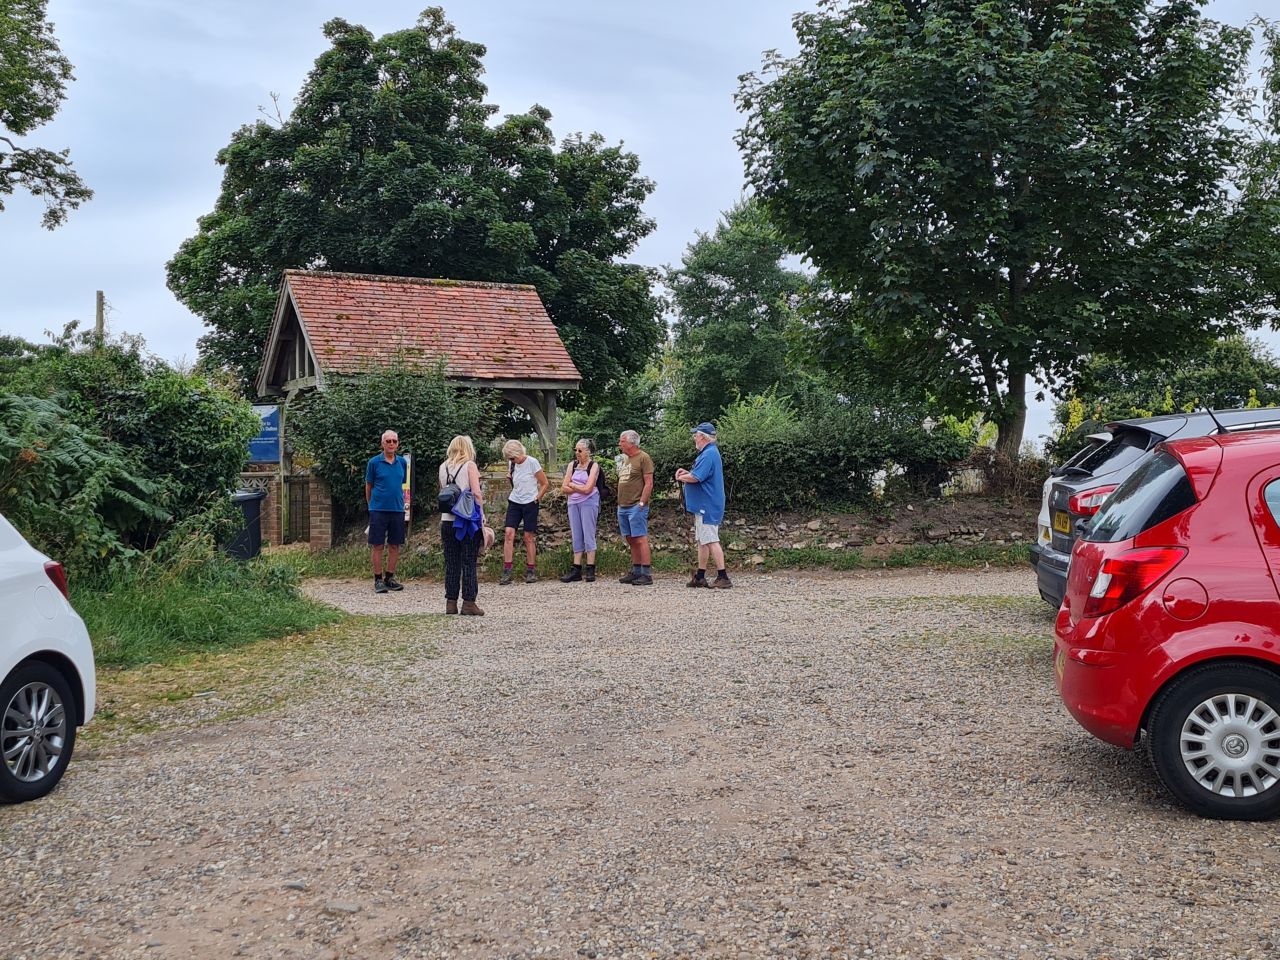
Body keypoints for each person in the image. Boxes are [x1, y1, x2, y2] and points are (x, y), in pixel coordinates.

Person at [676, 422, 731, 589]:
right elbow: (698, 474)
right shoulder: (709, 453)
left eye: (696, 435)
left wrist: (682, 477)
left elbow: (697, 477)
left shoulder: (708, 454)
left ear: (702, 437)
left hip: (706, 505)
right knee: (703, 540)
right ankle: (700, 575)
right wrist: (688, 474)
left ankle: (723, 576)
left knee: (711, 539)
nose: (694, 438)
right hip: (704, 504)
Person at [438, 435, 486, 615]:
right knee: (468, 561)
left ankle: (451, 602)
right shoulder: (469, 466)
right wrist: (481, 515)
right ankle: (469, 602)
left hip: (447, 520)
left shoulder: (443, 467)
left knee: (451, 562)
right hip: (466, 521)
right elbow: (476, 493)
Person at [500, 439, 549, 584]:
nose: (511, 460)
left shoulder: (532, 462)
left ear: (519, 453)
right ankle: (507, 570)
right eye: (510, 459)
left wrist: (537, 498)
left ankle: (531, 570)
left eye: (513, 457)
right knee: (509, 533)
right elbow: (516, 484)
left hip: (530, 502)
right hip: (515, 501)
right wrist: (510, 478)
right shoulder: (512, 463)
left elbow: (545, 483)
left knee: (528, 536)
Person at [365, 429, 407, 594]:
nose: (391, 444)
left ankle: (390, 577)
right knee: (377, 544)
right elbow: (369, 485)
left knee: (395, 544)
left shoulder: (402, 462)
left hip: (397, 509)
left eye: (394, 441)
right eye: (388, 441)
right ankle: (378, 579)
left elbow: (401, 483)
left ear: (398, 444)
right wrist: (371, 505)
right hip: (378, 509)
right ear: (382, 443)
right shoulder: (374, 463)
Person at [615, 429, 655, 586]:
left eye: (622, 441)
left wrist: (642, 502)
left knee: (640, 538)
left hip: (636, 505)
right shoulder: (626, 459)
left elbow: (649, 482)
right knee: (630, 538)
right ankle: (636, 570)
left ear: (631, 443)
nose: (620, 444)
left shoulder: (643, 458)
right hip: (623, 505)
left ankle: (646, 573)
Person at [559, 438, 601, 583]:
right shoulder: (573, 465)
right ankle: (576, 568)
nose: (577, 453)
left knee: (588, 533)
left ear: (588, 452)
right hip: (573, 503)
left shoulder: (594, 466)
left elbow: (588, 488)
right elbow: (563, 487)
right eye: (576, 450)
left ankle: (590, 567)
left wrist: (573, 486)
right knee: (576, 534)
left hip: (589, 502)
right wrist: (577, 487)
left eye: (580, 451)